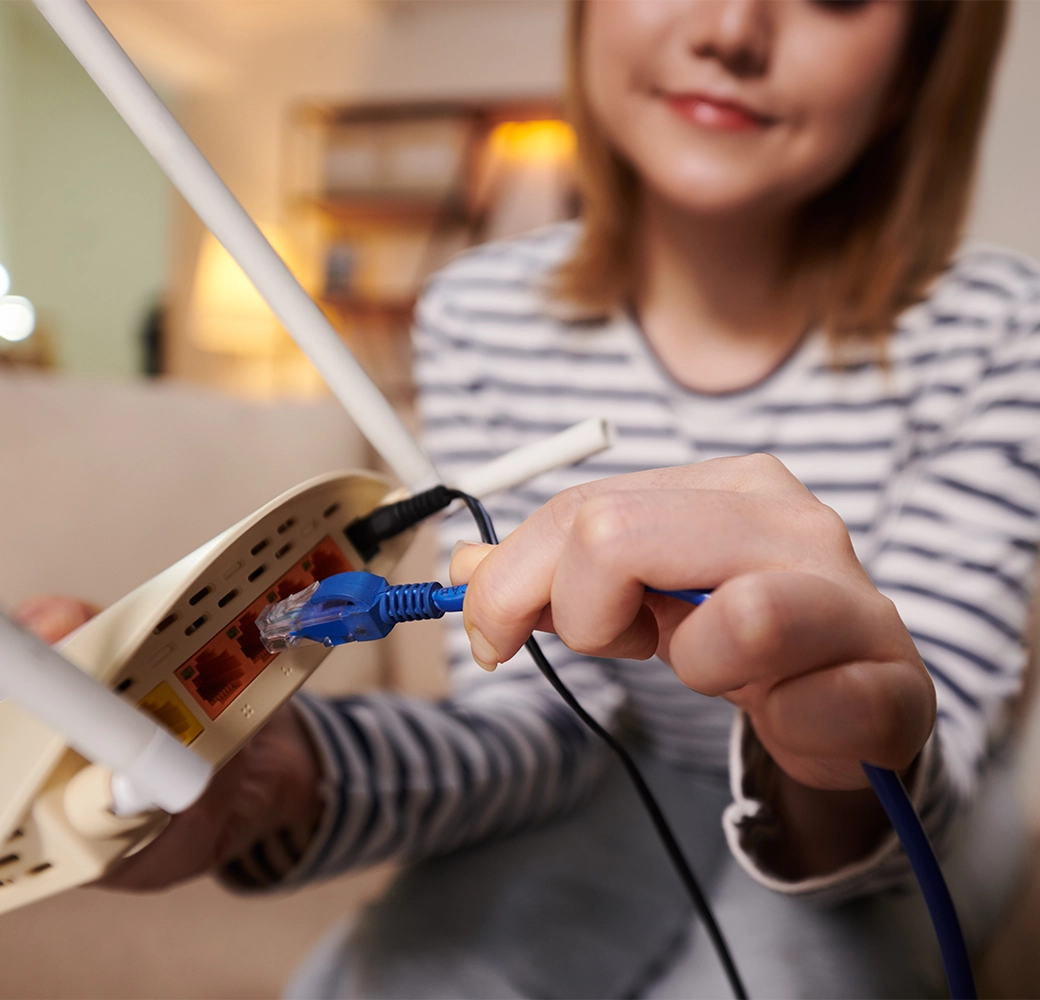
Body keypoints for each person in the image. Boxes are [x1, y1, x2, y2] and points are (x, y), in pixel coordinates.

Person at [21, 0, 1040, 996]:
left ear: (921, 51)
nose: (730, 29)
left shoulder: (999, 334)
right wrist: (267, 780)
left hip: (868, 834)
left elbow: (917, 785)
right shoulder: (479, 314)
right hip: (600, 775)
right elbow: (529, 731)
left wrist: (836, 746)